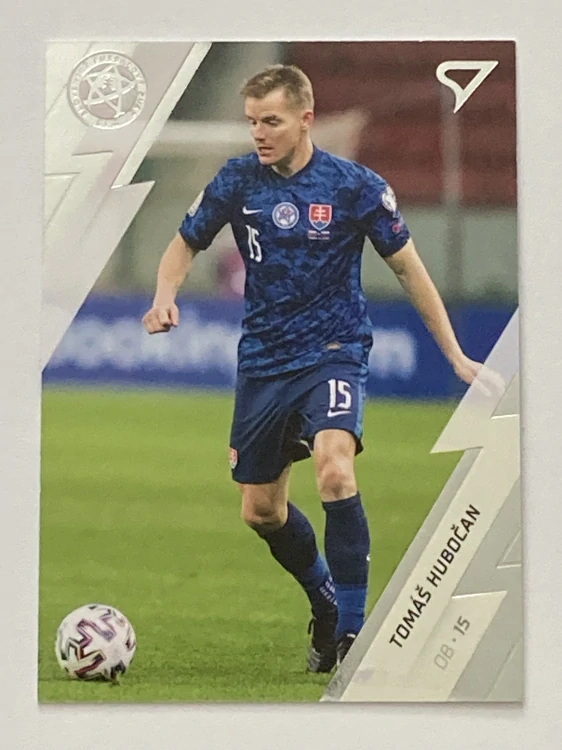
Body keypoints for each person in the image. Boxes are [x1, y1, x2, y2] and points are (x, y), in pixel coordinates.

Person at [142, 63, 484, 674]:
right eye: (252, 122)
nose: (259, 133)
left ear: (306, 119)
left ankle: (352, 633)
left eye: (271, 121)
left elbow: (409, 268)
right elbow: (185, 242)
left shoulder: (355, 186)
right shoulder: (237, 180)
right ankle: (325, 601)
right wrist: (165, 294)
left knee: (334, 468)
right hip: (263, 362)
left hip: (334, 351)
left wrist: (455, 354)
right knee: (261, 511)